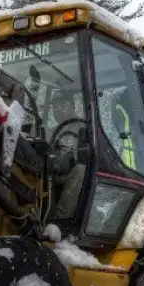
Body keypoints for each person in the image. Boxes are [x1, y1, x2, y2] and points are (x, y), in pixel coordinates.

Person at [47, 90, 87, 219]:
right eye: (55, 106)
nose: (57, 109)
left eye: (62, 105)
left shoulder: (83, 127)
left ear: (72, 106)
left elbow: (87, 157)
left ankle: (60, 220)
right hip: (51, 173)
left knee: (81, 170)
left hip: (69, 175)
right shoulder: (53, 130)